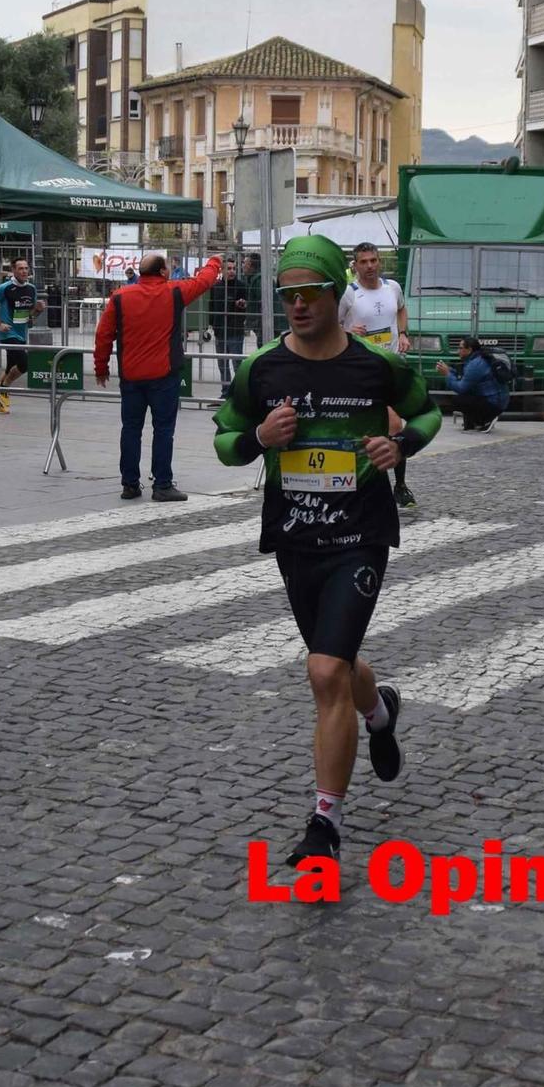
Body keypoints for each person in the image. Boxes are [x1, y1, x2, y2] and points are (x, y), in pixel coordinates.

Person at [212, 234, 442, 868]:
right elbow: (226, 442)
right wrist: (259, 435)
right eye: (289, 295)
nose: (299, 305)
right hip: (296, 537)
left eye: (311, 292)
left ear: (336, 294)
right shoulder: (260, 369)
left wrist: (402, 448)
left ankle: (326, 824)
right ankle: (380, 713)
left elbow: (426, 415)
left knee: (321, 672)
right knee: (335, 667)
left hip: (360, 536)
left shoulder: (375, 366)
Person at [95, 252, 221, 501]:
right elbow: (205, 280)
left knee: (131, 429)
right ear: (163, 272)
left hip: (131, 376)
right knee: (163, 429)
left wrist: (101, 368)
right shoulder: (174, 292)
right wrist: (214, 260)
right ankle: (162, 485)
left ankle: (130, 484)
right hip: (164, 376)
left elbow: (103, 334)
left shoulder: (119, 297)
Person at [338, 242, 417, 509]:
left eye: (374, 260)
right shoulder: (349, 294)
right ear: (355, 265)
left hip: (390, 367)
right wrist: (348, 333)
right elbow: (331, 327)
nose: (370, 266)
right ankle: (361, 484)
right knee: (365, 430)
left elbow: (402, 309)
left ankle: (400, 485)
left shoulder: (392, 288)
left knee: (395, 428)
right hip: (359, 370)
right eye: (364, 262)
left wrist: (403, 333)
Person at [0, 258, 45, 416]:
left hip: (21, 333)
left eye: (26, 268)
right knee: (25, 364)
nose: (24, 271)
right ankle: (3, 390)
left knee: (11, 367)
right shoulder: (5, 288)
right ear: (13, 270)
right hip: (8, 333)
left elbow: (30, 315)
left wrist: (38, 310)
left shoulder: (31, 289)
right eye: (20, 268)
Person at [437, 335, 510, 432]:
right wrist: (450, 371)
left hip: (494, 403)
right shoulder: (477, 359)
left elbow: (461, 388)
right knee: (466, 396)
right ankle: (475, 421)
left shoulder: (475, 364)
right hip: (497, 399)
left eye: (461, 348)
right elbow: (467, 380)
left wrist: (447, 374)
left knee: (459, 400)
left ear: (469, 349)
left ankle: (486, 420)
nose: (458, 351)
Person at [210, 256, 250, 392]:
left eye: (234, 268)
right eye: (229, 268)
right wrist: (212, 324)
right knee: (222, 363)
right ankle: (226, 391)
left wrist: (242, 305)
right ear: (222, 270)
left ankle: (238, 392)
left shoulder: (241, 286)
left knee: (237, 363)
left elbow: (247, 305)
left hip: (235, 330)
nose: (232, 271)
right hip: (220, 330)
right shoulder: (216, 286)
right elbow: (212, 306)